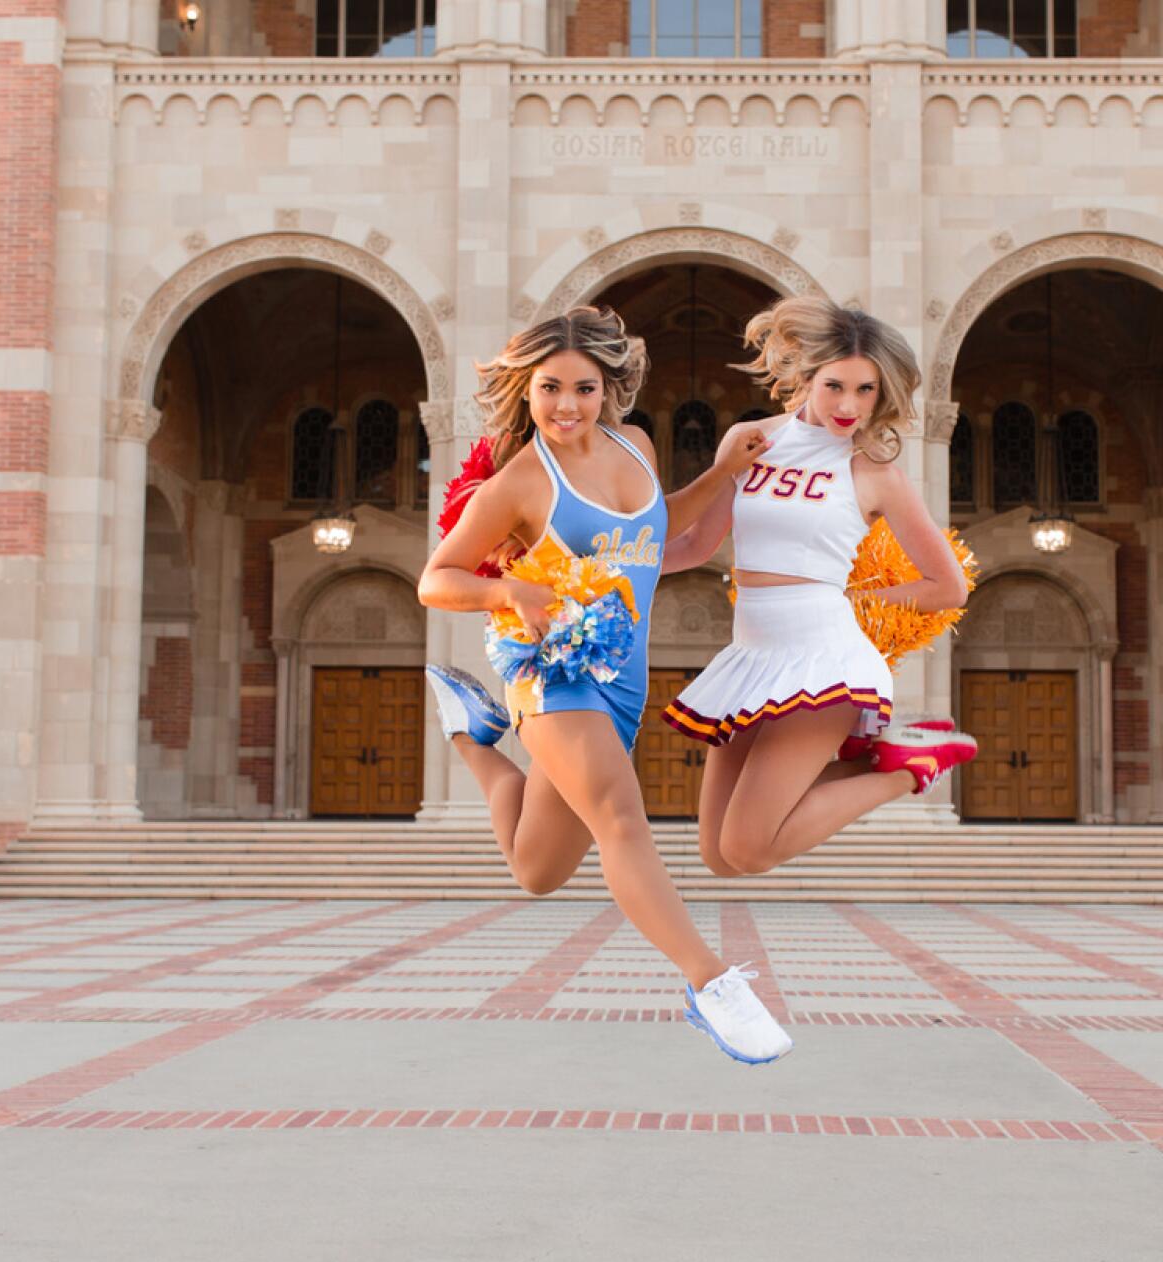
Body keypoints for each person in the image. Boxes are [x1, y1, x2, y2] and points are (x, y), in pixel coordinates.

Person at [417, 306, 792, 1064]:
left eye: (583, 388)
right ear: (526, 389)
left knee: (538, 870)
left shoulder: (634, 443)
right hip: (554, 675)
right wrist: (507, 595)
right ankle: (711, 984)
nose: (565, 405)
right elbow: (437, 578)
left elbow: (661, 526)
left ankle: (466, 731)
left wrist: (722, 476)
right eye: (549, 387)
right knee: (623, 816)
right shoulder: (520, 482)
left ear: (608, 388)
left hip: (622, 682)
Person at [660, 295, 978, 878]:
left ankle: (911, 769)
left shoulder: (873, 469)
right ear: (805, 376)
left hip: (823, 661)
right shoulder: (751, 439)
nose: (849, 406)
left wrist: (846, 604)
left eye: (866, 391)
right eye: (835, 386)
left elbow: (947, 586)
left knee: (751, 849)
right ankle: (893, 758)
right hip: (751, 655)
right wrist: (607, 566)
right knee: (719, 856)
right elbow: (693, 547)